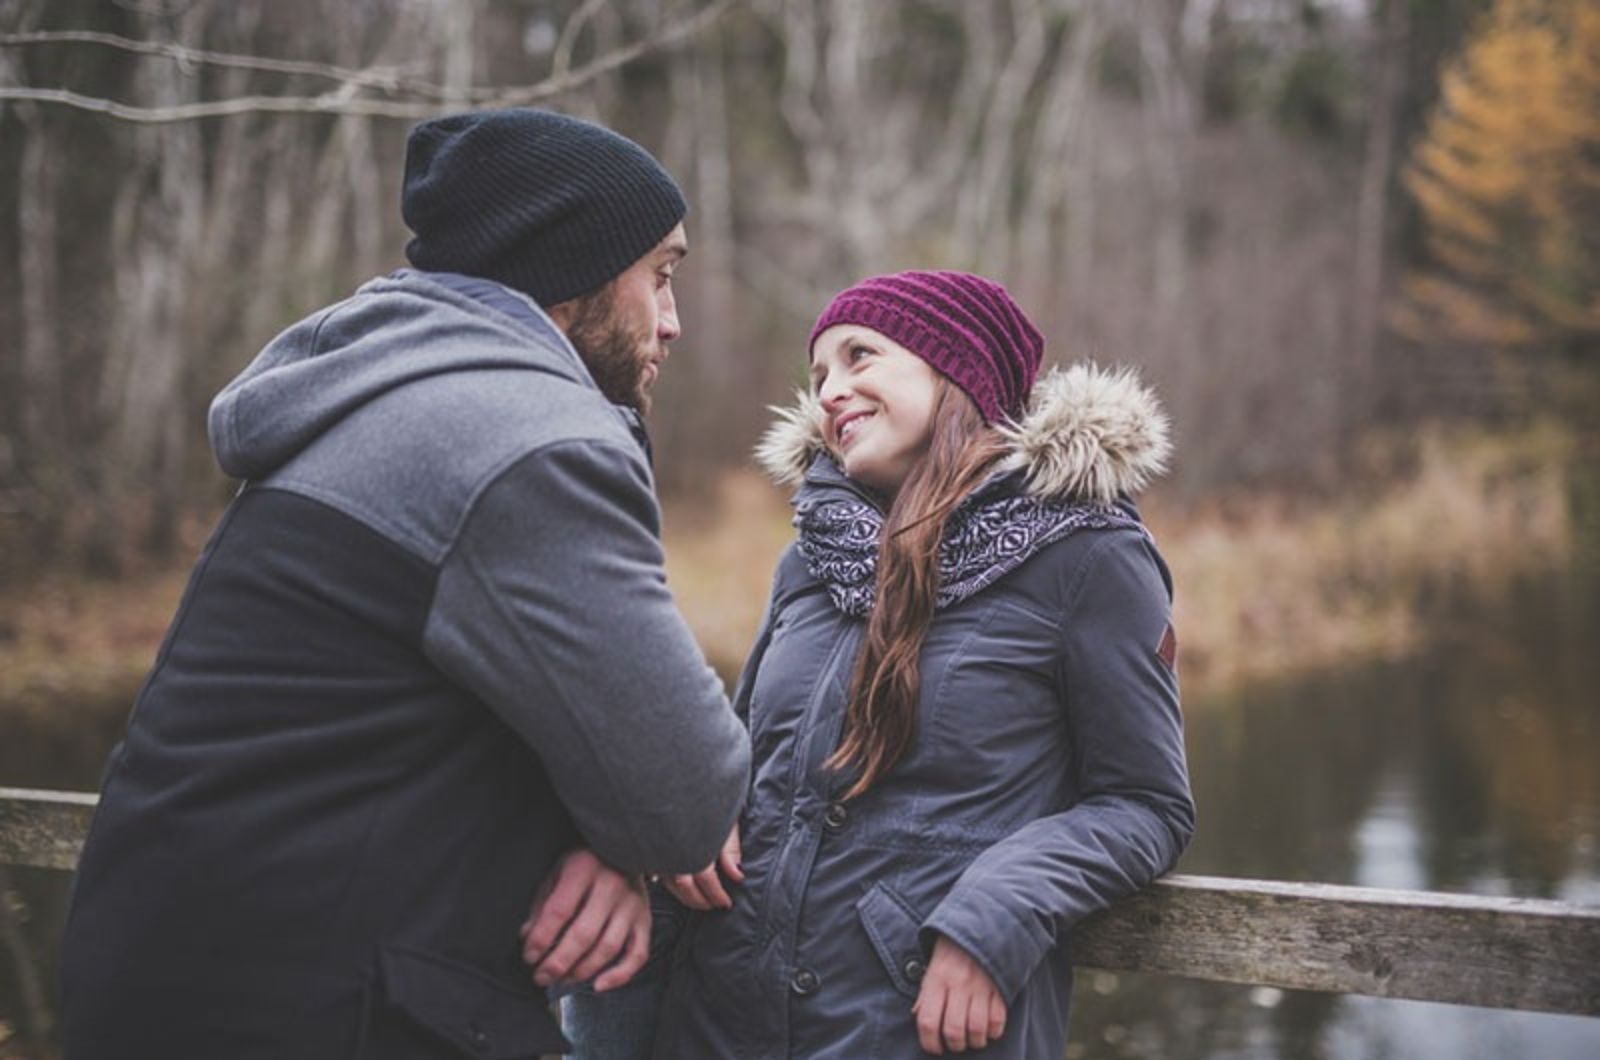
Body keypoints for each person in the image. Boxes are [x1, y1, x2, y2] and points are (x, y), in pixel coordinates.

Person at [58, 109, 750, 1060]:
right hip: (317, 1007)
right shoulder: (527, 436)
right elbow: (685, 791)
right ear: (573, 268)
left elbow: (412, 709)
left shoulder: (377, 388)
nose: (671, 319)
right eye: (660, 276)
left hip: (168, 970)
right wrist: (630, 831)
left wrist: (604, 835)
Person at [569, 270, 1194, 1058]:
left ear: (957, 368)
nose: (830, 391)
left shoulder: (1090, 558)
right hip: (720, 1021)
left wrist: (997, 914)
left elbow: (1145, 804)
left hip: (913, 1029)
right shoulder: (810, 555)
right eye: (821, 373)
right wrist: (698, 810)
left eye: (860, 357)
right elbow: (742, 751)